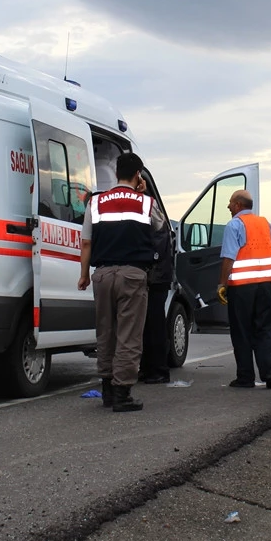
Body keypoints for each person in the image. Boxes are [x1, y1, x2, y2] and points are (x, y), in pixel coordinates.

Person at [78, 152, 165, 412]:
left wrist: (84, 275)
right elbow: (160, 229)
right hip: (132, 274)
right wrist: (143, 193)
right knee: (129, 335)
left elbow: (86, 242)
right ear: (138, 175)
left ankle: (106, 389)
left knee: (105, 333)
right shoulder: (145, 203)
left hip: (102, 274)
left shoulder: (95, 202)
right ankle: (122, 393)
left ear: (116, 173)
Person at [217, 189, 271, 389]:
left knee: (242, 331)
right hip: (266, 286)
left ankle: (245, 377)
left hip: (242, 288)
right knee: (264, 329)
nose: (228, 206)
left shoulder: (234, 225)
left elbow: (229, 257)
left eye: (230, 203)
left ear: (238, 205)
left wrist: (222, 284)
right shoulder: (265, 224)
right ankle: (270, 374)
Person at [139, 205, 175, 385]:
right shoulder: (150, 208)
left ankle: (158, 370)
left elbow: (159, 243)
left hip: (155, 277)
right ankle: (148, 369)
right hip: (157, 276)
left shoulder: (148, 207)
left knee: (154, 325)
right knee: (148, 325)